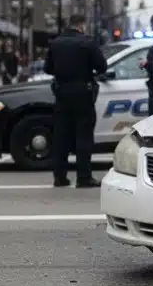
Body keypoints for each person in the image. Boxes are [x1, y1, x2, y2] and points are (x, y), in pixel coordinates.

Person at [45, 14, 107, 188]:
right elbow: (102, 66)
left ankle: (59, 177)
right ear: (82, 25)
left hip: (62, 93)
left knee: (61, 137)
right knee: (84, 136)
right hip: (83, 94)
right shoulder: (87, 43)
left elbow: (48, 68)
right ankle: (84, 177)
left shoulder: (55, 43)